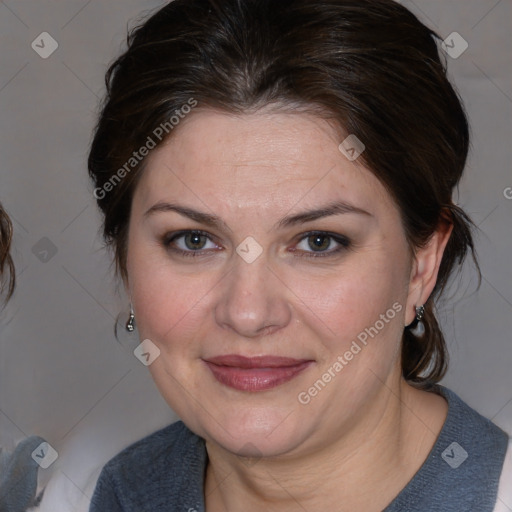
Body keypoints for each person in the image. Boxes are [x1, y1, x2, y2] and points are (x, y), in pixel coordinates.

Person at [87, 0, 511, 510]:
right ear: (125, 260)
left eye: (318, 241)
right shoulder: (116, 491)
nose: (248, 312)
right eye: (194, 240)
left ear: (422, 265)